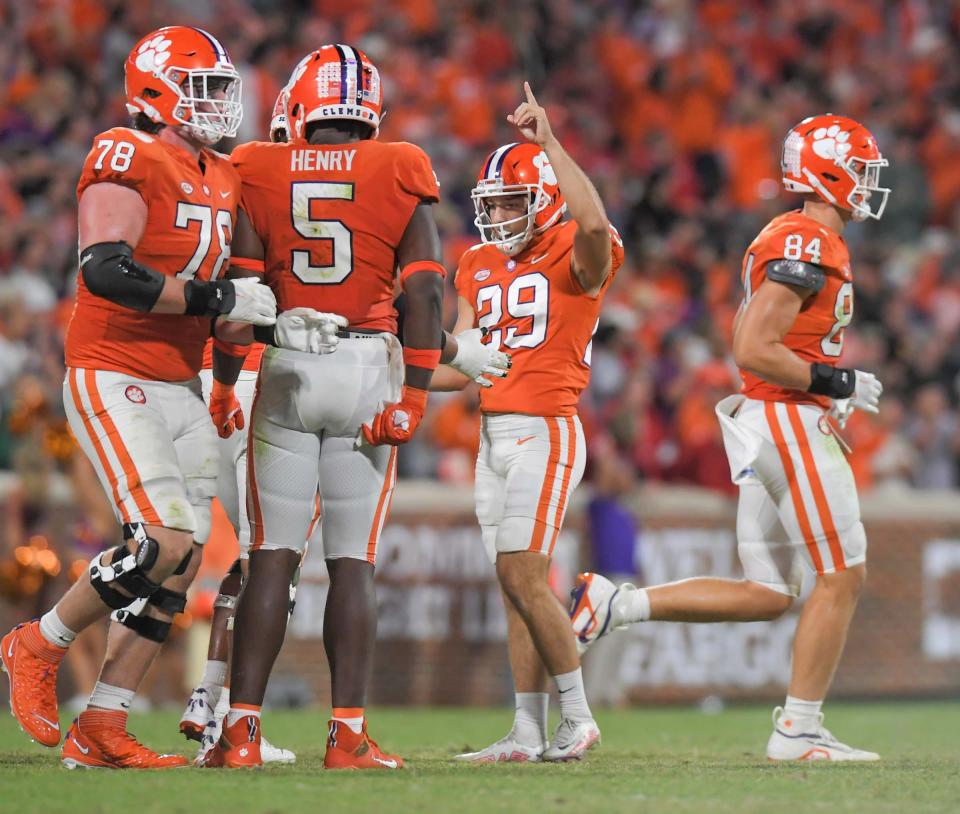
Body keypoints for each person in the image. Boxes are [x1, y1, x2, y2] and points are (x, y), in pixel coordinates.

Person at [201, 44, 496, 771]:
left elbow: (242, 297)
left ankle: (238, 732)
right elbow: (425, 293)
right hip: (366, 367)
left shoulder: (257, 165)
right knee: (353, 563)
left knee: (271, 558)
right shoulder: (400, 162)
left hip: (288, 363)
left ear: (301, 106)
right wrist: (416, 398)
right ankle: (347, 734)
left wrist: (223, 380)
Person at [0, 26, 278, 769]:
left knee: (182, 567)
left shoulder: (221, 173)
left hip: (180, 379)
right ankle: (38, 642)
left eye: (223, 87)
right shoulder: (127, 150)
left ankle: (102, 726)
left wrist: (231, 363)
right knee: (164, 542)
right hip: (112, 368)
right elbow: (106, 270)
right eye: (204, 86)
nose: (219, 101)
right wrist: (221, 295)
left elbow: (222, 304)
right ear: (155, 88)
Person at [572, 115, 888, 762]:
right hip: (788, 421)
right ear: (829, 171)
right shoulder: (807, 239)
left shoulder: (806, 236)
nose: (868, 183)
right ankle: (798, 730)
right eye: (861, 169)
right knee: (843, 574)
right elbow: (752, 348)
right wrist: (837, 380)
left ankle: (615, 605)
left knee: (769, 591)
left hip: (773, 423)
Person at [447, 83, 624, 763]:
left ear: (545, 195)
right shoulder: (479, 261)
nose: (497, 214)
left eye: (511, 201)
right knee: (514, 584)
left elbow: (590, 227)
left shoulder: (576, 249)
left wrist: (549, 142)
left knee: (524, 574)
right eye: (490, 203)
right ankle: (525, 730)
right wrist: (394, 366)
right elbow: (459, 362)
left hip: (547, 429)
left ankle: (577, 718)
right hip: (493, 433)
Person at [178, 93, 298, 766]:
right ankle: (224, 711)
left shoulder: (221, 181)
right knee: (273, 560)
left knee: (252, 558)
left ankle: (212, 698)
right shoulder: (276, 193)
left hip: (205, 378)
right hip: (251, 379)